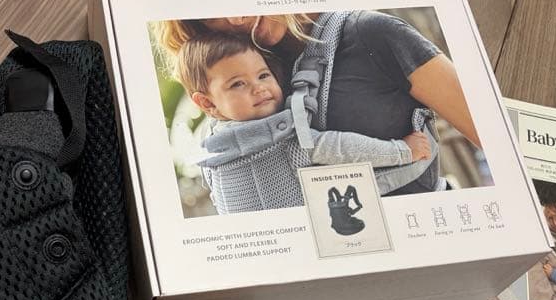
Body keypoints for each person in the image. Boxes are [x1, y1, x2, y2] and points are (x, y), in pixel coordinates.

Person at [154, 11, 481, 196]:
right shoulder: (229, 107)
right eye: (214, 14)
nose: (237, 17)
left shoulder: (370, 34)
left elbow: (491, 132)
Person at [174, 33, 433, 213]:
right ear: (207, 103)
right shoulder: (284, 138)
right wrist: (402, 151)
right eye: (238, 84)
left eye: (263, 75)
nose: (259, 88)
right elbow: (342, 148)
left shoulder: (211, 155)